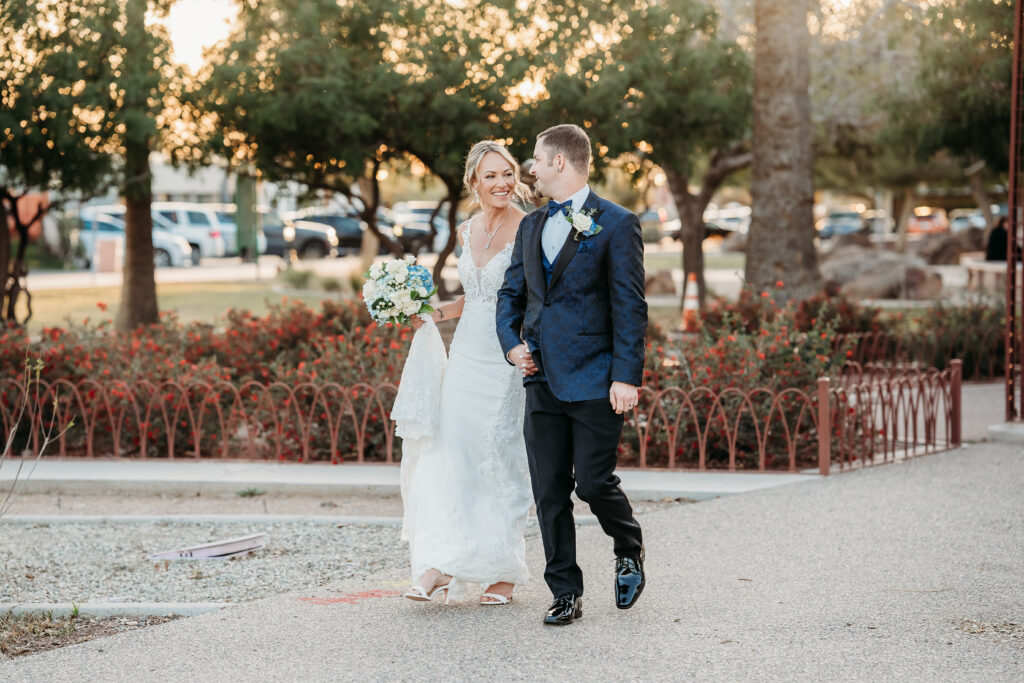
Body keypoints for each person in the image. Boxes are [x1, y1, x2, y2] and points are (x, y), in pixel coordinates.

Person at [496, 124, 647, 626]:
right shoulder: (531, 226)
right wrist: (512, 345)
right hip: (540, 376)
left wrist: (626, 376)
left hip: (595, 377)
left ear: (560, 162)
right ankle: (565, 591)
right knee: (550, 491)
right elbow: (510, 296)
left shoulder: (618, 223)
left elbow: (630, 306)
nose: (529, 169)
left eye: (535, 159)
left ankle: (628, 544)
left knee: (594, 483)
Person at [398, 140, 533, 606]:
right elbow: (471, 298)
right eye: (491, 176)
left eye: (507, 174)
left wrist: (526, 346)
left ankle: (503, 570)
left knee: (497, 455)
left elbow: (528, 300)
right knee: (451, 453)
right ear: (474, 182)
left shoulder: (529, 227)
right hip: (465, 358)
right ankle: (441, 562)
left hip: (505, 358)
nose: (502, 183)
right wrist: (431, 315)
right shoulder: (465, 228)